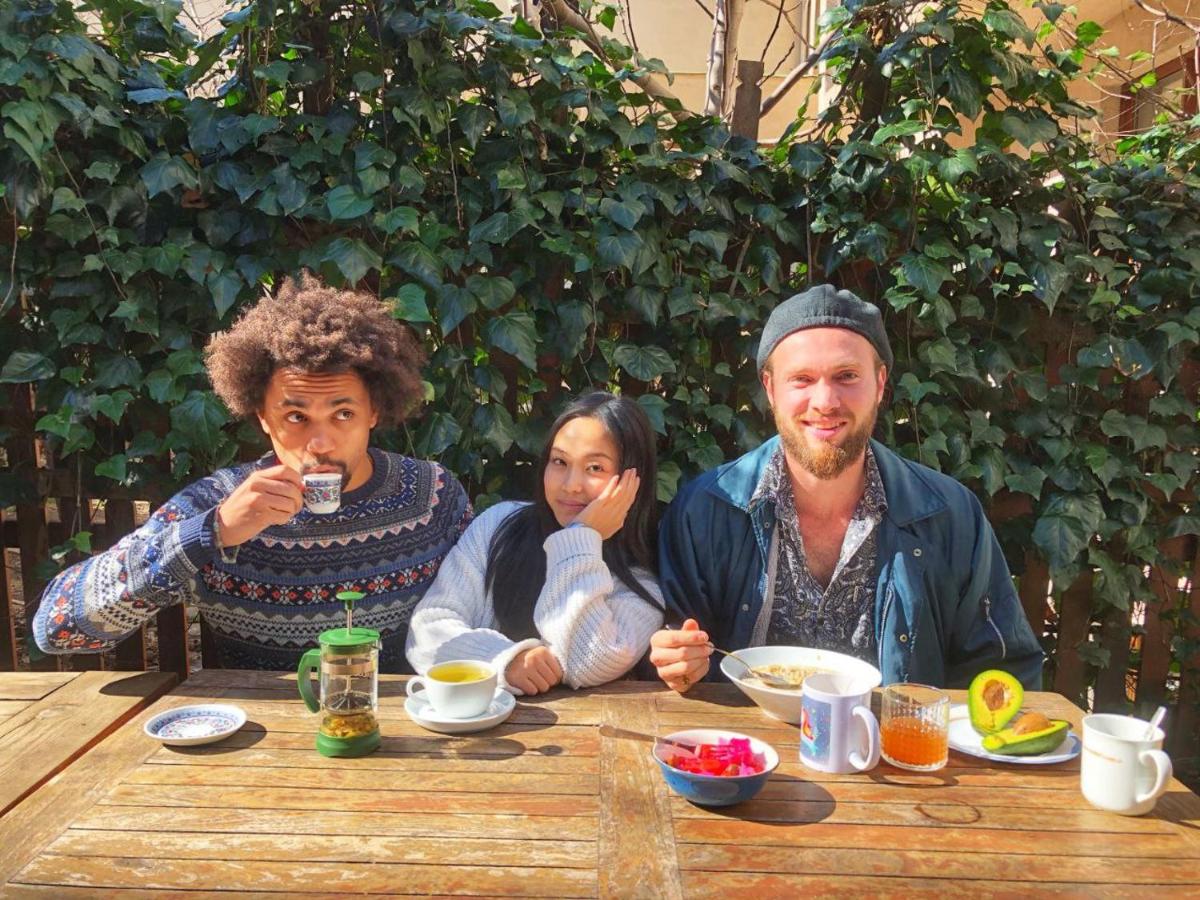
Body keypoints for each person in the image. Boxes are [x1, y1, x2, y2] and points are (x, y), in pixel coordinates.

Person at [33, 273, 471, 671]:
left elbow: (484, 613)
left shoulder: (432, 495)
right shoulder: (217, 502)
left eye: (343, 414)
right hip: (256, 727)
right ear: (262, 416)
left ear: (373, 412)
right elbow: (57, 629)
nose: (320, 442)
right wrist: (212, 532)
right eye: (296, 417)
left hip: (402, 725)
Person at [648, 284, 1043, 693]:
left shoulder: (952, 516)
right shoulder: (704, 511)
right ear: (770, 389)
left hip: (893, 735)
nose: (825, 401)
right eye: (802, 379)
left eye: (847, 376)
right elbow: (672, 658)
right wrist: (678, 664)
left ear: (880, 383)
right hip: (741, 735)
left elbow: (1003, 671)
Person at [406, 392, 664, 695]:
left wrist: (580, 537)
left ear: (634, 480)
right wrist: (504, 661)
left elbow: (584, 662)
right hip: (476, 721)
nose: (570, 485)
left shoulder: (642, 580)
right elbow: (428, 628)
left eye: (595, 468)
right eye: (560, 461)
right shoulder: (499, 525)